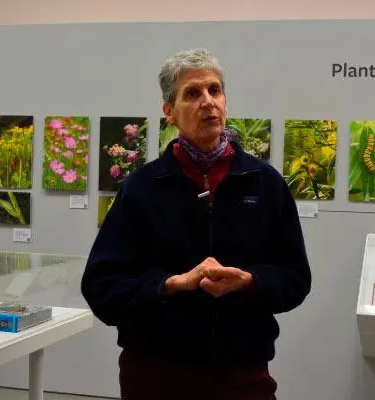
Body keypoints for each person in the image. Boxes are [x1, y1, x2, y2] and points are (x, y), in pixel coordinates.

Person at [80, 48, 312, 400]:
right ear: (169, 112)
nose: (208, 101)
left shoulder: (264, 184)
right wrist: (171, 284)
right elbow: (101, 287)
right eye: (192, 93)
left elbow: (295, 279)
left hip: (242, 376)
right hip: (155, 376)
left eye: (214, 90)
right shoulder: (141, 189)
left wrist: (249, 281)